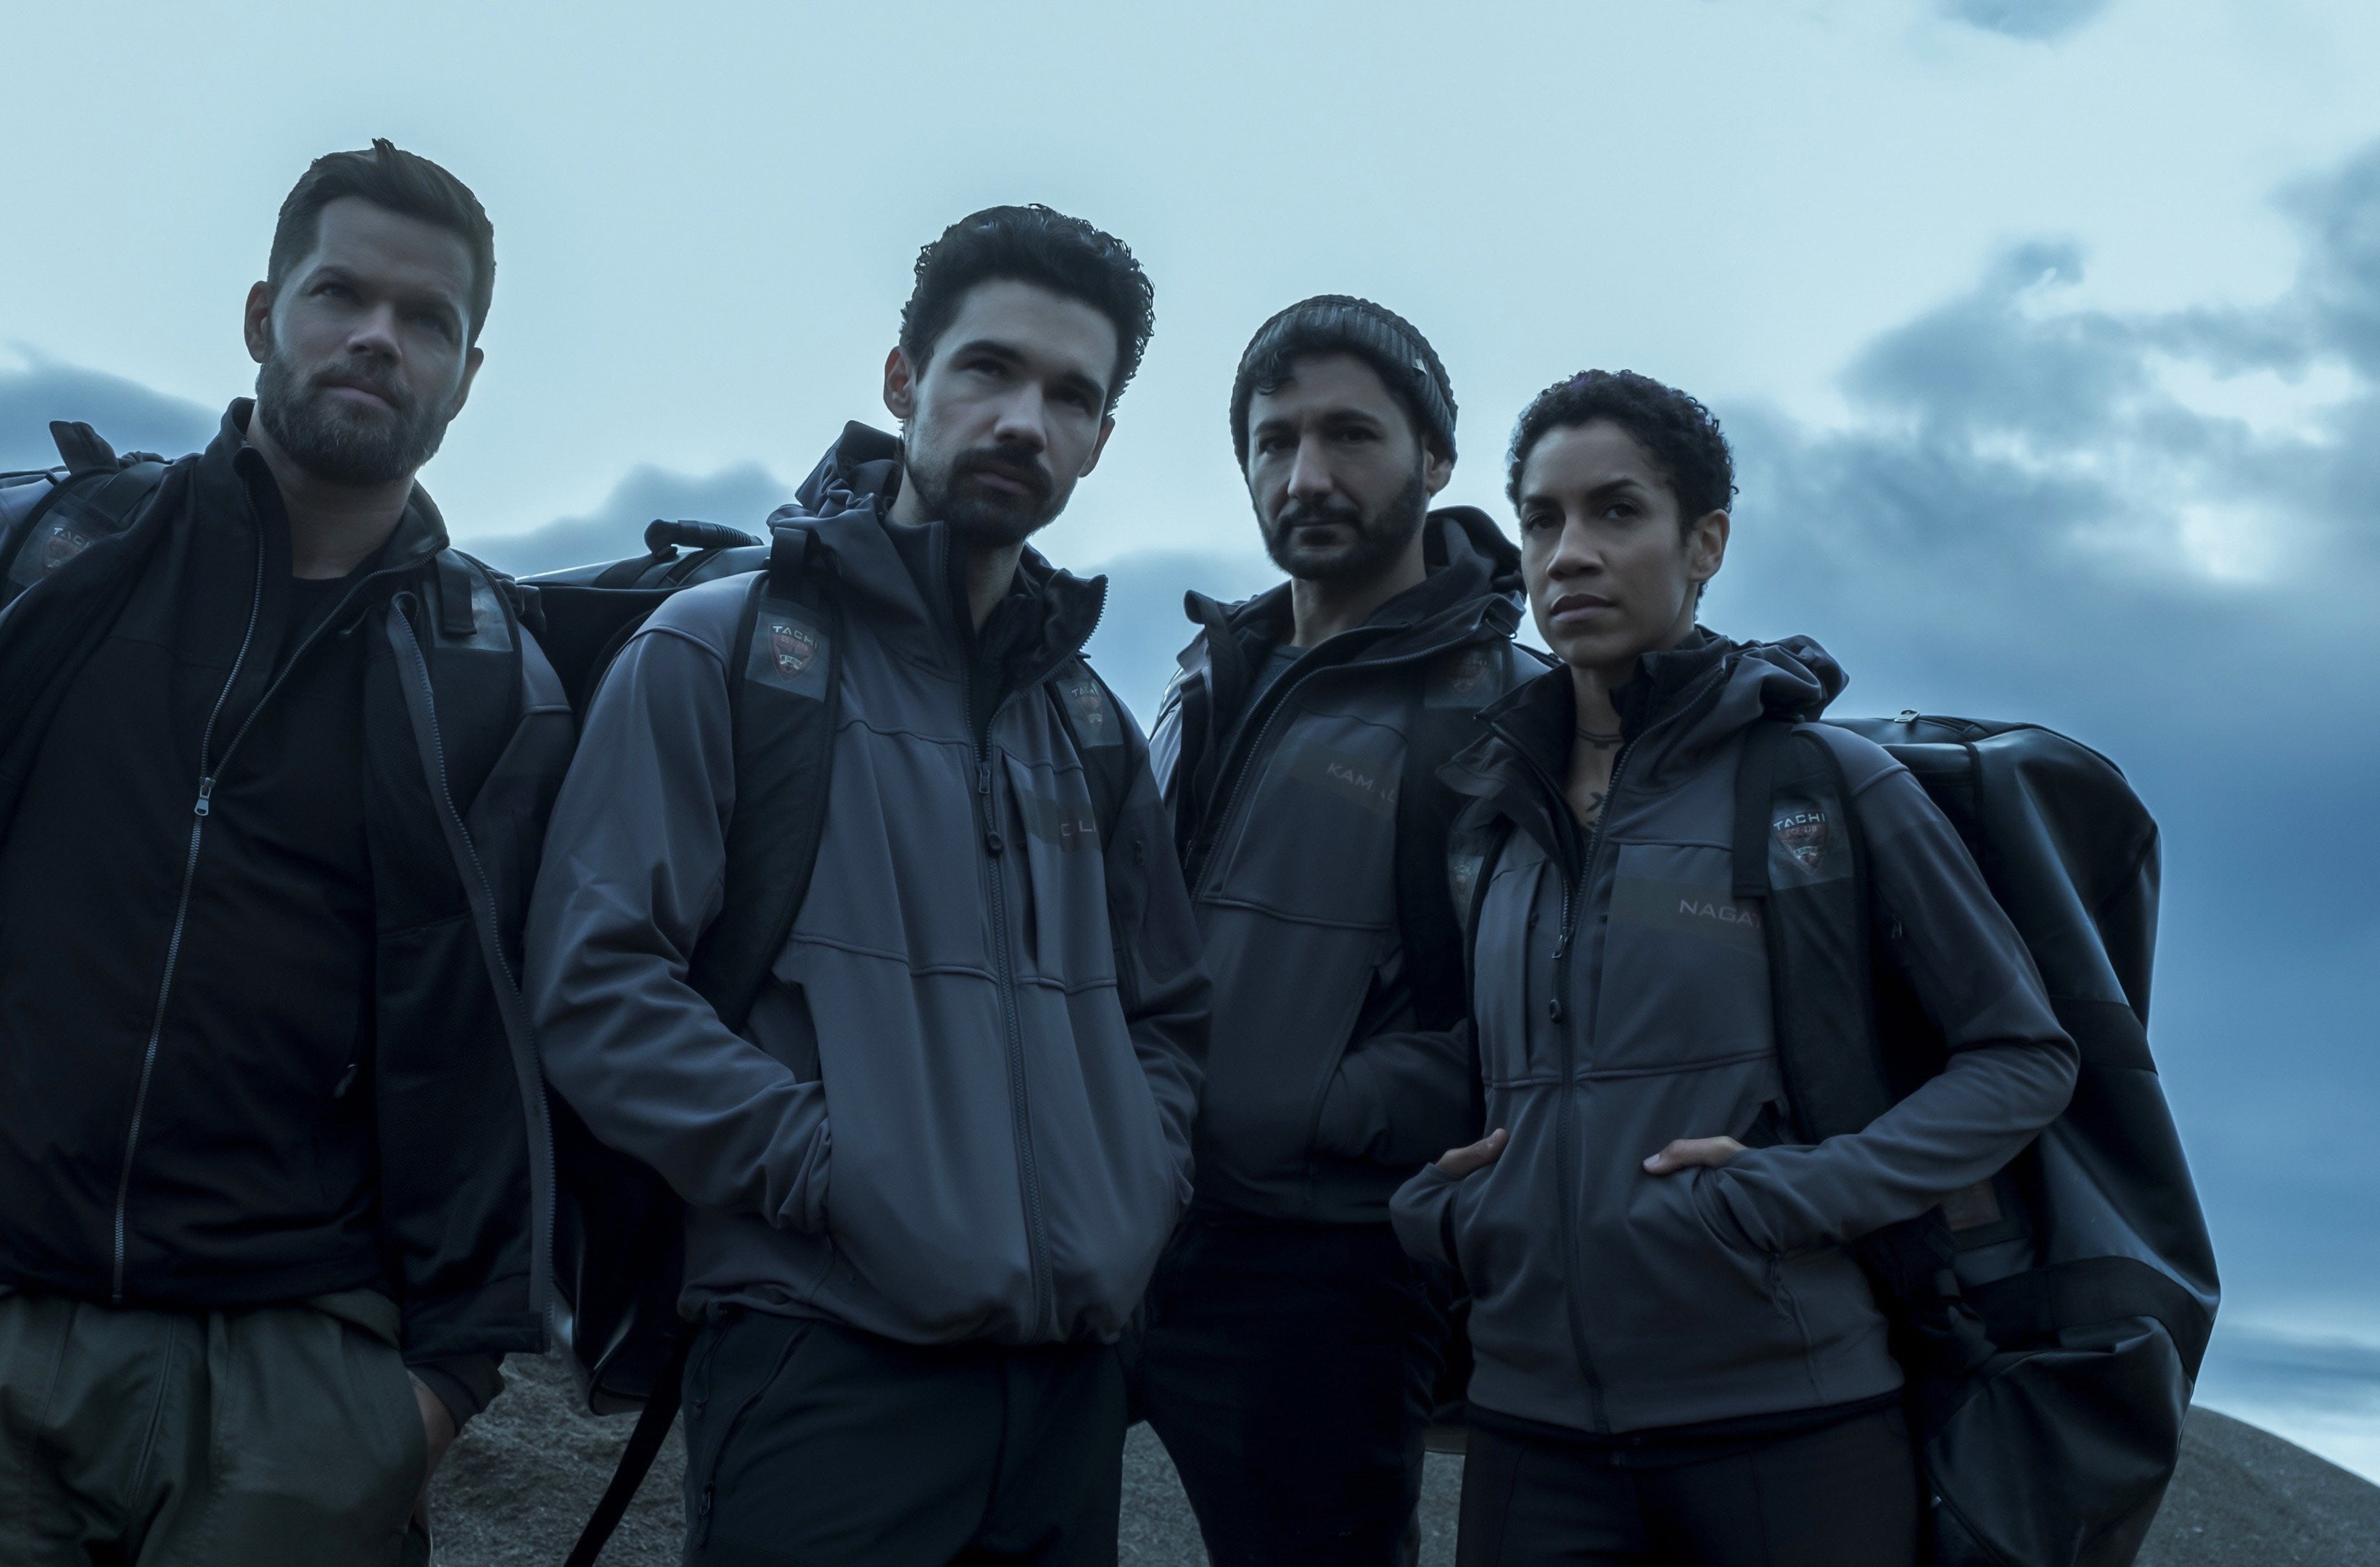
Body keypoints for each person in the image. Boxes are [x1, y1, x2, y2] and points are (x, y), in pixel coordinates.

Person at [0, 141, 569, 1566]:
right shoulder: (41, 555)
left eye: (426, 318)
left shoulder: (491, 678)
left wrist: (439, 1386)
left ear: (467, 376)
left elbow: (516, 1045)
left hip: (303, 1363)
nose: (378, 336)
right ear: (262, 317)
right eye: (340, 294)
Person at [525, 205, 1207, 1567]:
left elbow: (1170, 1022)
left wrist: (1133, 1184)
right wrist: (834, 1172)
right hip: (821, 1360)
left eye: (1070, 396)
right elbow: (597, 987)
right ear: (904, 379)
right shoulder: (718, 652)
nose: (1024, 420)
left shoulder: (1090, 725)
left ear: (1099, 440)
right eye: (988, 369)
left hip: (1069, 1389)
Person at [1388, 370, 2078, 1566]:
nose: (1570, 553)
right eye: (1542, 520)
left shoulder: (1824, 785)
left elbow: (2023, 1056)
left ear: (1704, 543)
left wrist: (1796, 1194)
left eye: (1617, 512)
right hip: (1531, 1435)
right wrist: (1440, 1208)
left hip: (1791, 1424)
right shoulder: (1488, 816)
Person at [1134, 296, 1544, 1566]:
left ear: (1437, 457)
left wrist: (1312, 1111)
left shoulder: (1514, 712)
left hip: (1327, 1269)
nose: (1306, 474)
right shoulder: (1205, 674)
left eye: (1351, 436)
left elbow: (1547, 1008)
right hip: (1124, 1216)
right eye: (1275, 440)